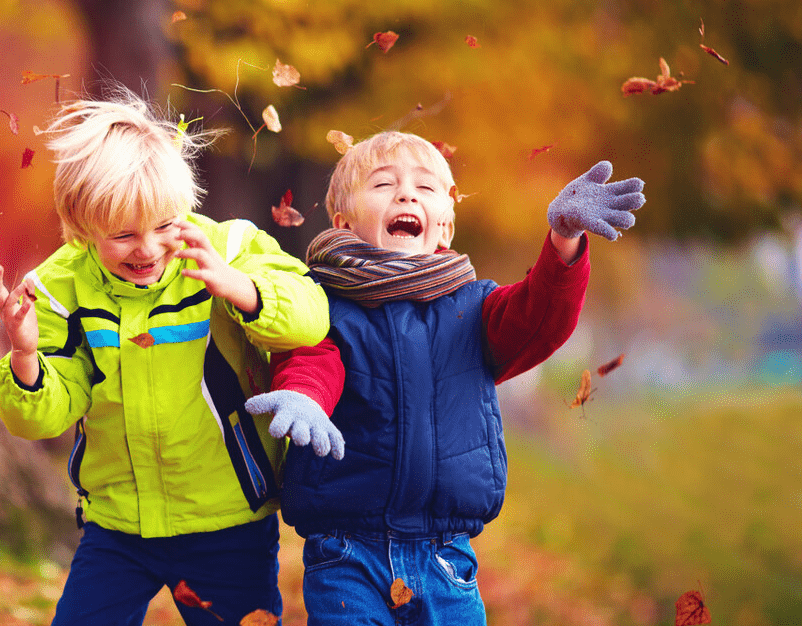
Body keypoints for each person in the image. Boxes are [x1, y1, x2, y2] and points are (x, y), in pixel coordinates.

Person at [245, 131, 646, 626]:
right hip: (347, 552)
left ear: (446, 228)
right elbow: (312, 360)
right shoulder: (323, 303)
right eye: (384, 184)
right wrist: (303, 399)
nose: (407, 194)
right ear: (343, 223)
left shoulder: (473, 307)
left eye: (426, 188)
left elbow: (538, 317)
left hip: (445, 556)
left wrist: (563, 240)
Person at [0, 90, 334, 625]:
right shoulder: (60, 287)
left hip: (226, 520)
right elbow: (40, 416)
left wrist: (238, 287)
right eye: (123, 235)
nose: (147, 249)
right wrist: (25, 352)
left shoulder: (228, 247)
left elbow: (311, 316)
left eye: (164, 225)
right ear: (83, 228)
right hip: (118, 524)